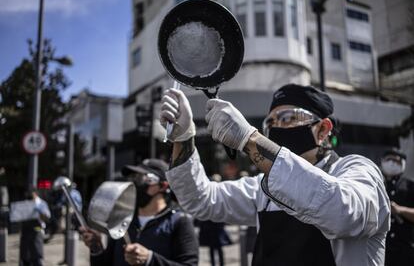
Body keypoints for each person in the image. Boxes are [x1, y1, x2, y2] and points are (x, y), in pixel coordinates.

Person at [160, 84, 390, 266]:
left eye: (288, 117)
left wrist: (249, 140)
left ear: (322, 130)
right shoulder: (264, 187)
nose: (277, 126)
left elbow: (344, 213)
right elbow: (201, 199)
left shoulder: (356, 170)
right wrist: (183, 139)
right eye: (271, 122)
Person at [80, 158, 199, 266]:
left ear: (163, 186)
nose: (135, 184)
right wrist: (97, 249)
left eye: (141, 178)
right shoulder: (123, 219)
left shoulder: (179, 222)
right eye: (133, 177)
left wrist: (150, 259)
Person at [381, 149, 414, 266]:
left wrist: (400, 210)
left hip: (404, 250)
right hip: (379, 248)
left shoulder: (410, 186)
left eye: (396, 161)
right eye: (388, 159)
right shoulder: (376, 184)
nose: (391, 163)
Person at [197, 174, 232, 266]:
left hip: (217, 226)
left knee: (217, 248)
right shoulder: (209, 194)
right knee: (213, 248)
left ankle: (221, 264)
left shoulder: (220, 193)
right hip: (210, 226)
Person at [19, 189, 51, 266]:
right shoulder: (25, 203)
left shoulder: (41, 204)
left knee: (36, 257)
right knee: (25, 257)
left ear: (36, 195)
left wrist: (40, 212)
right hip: (25, 232)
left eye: (31, 196)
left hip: (37, 230)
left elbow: (47, 217)